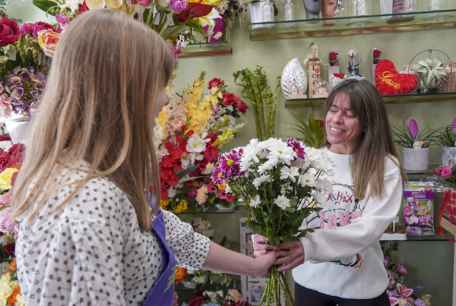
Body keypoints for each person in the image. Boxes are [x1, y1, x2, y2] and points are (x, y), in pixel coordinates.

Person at [12, 9, 275, 306]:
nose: (165, 99)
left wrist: (253, 266)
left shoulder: (107, 177)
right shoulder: (87, 202)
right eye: (157, 84)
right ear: (119, 92)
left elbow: (172, 236)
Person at [254, 79, 403, 306]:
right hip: (310, 282)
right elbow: (284, 214)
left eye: (349, 114)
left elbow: (369, 229)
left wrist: (309, 246)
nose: (336, 119)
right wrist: (266, 235)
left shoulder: (384, 167)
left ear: (367, 122)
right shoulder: (307, 161)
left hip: (361, 290)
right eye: (333, 110)